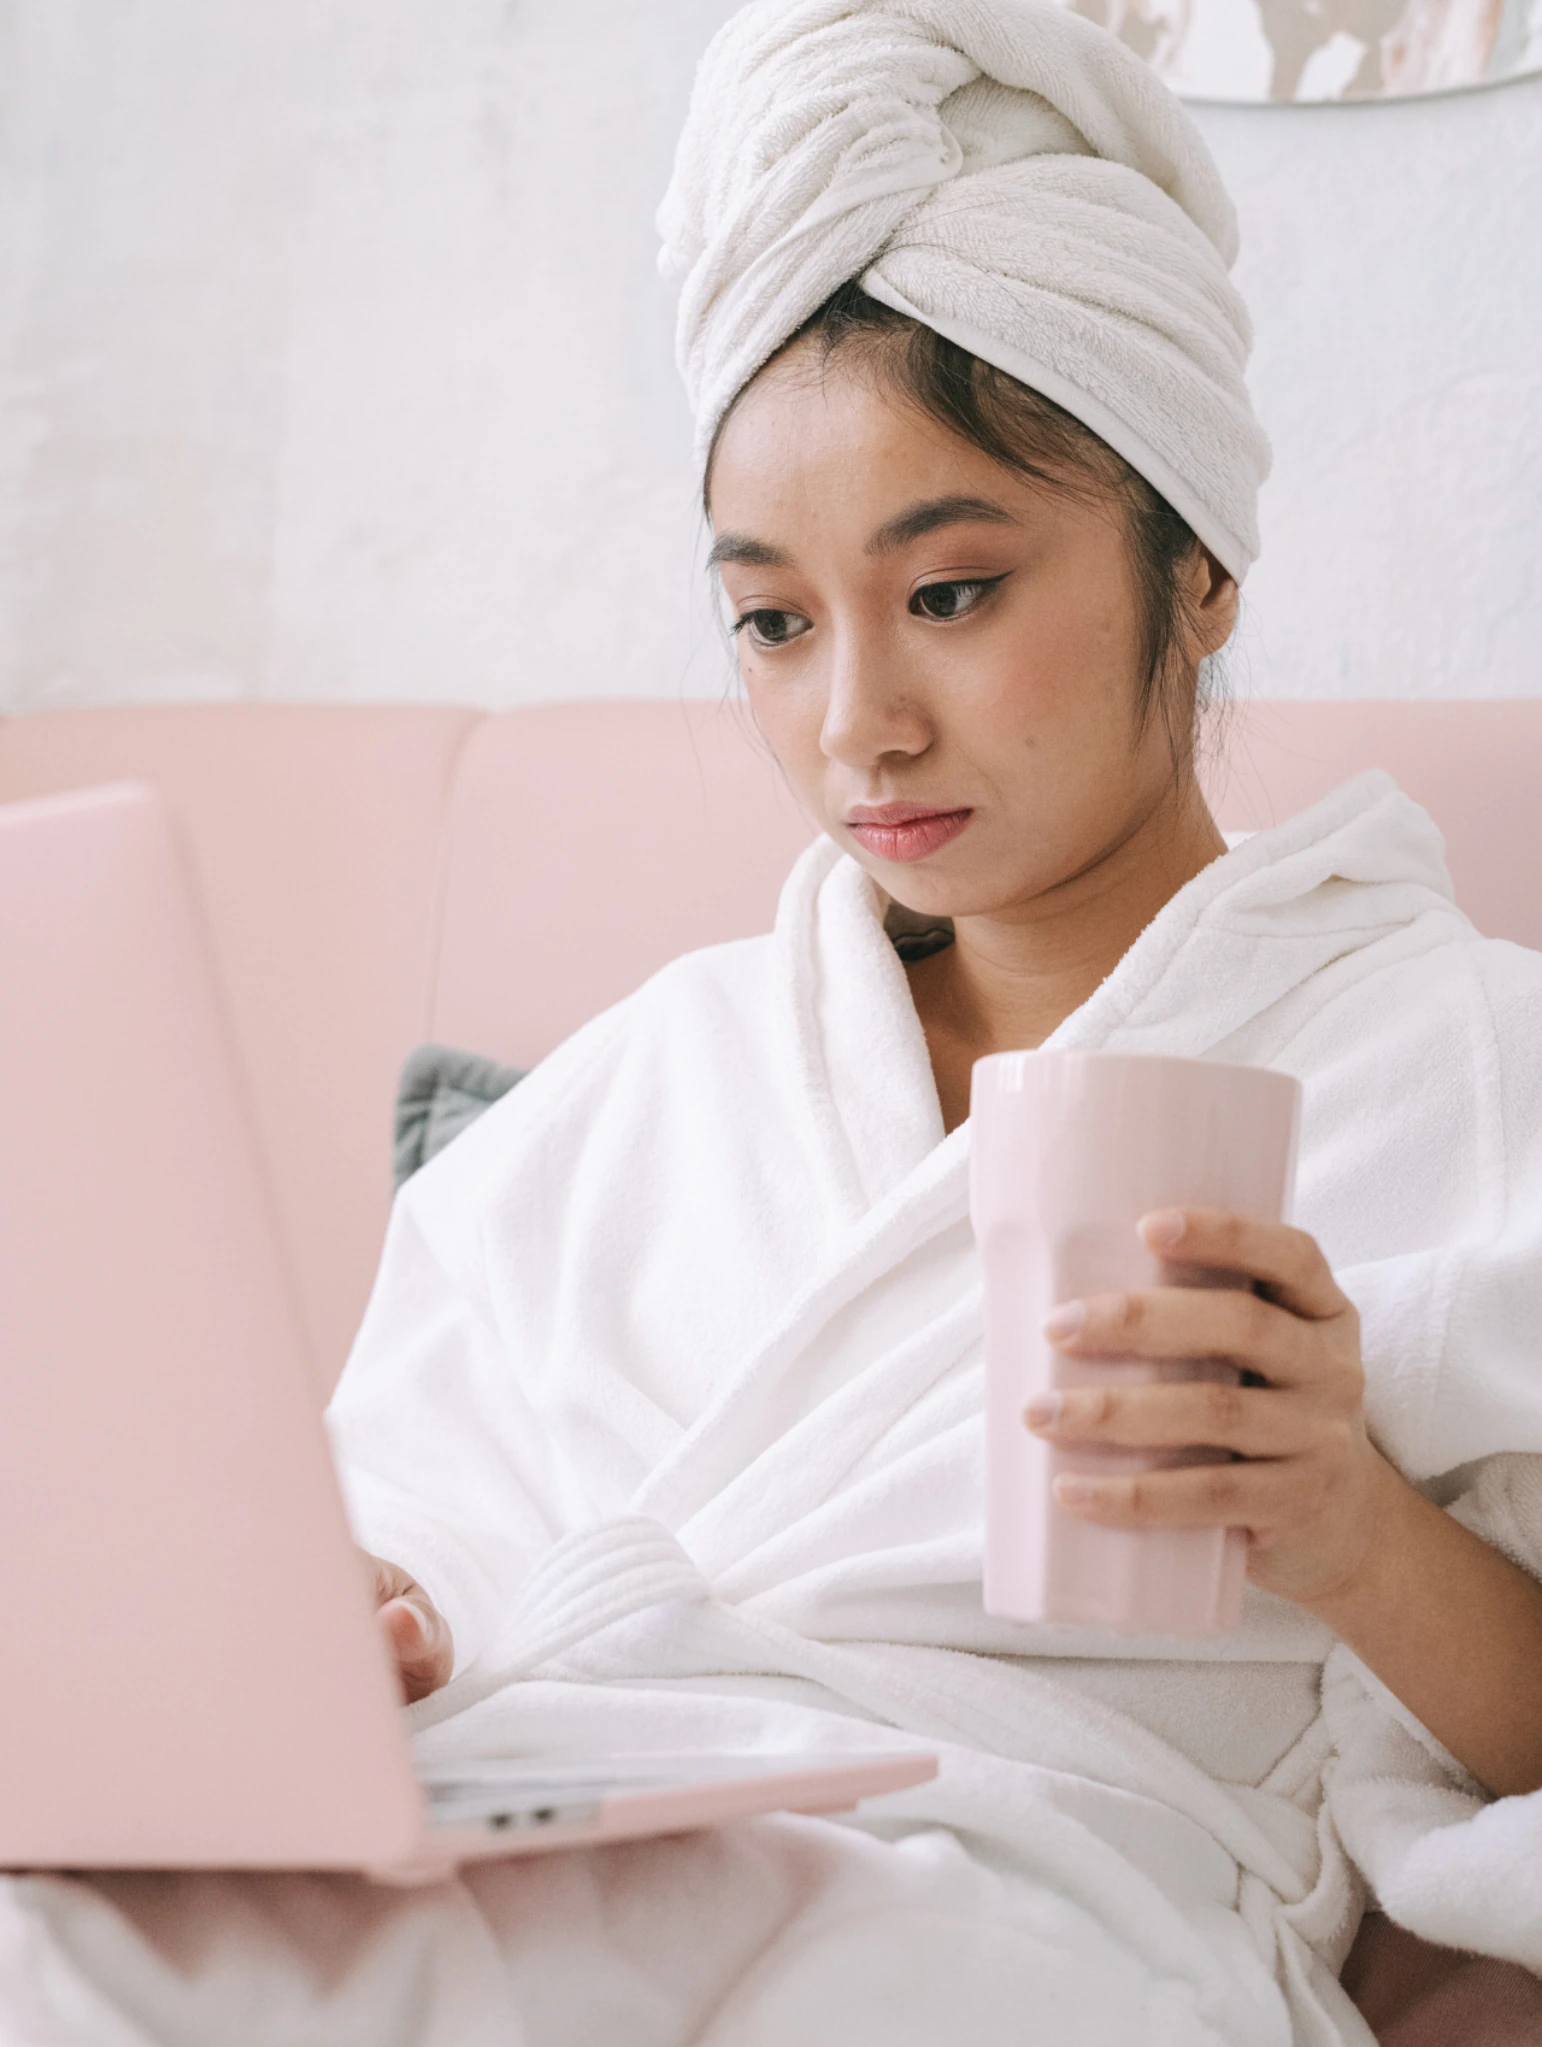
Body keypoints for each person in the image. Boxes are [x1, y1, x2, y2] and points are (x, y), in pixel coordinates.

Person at [326, 2, 1542, 2042]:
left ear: (1201, 560)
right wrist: (368, 1628)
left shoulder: (1463, 1059)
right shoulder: (667, 1076)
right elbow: (396, 1513)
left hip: (1027, 1917)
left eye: (952, 592)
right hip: (529, 1834)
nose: (855, 725)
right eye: (776, 622)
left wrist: (1346, 1525)